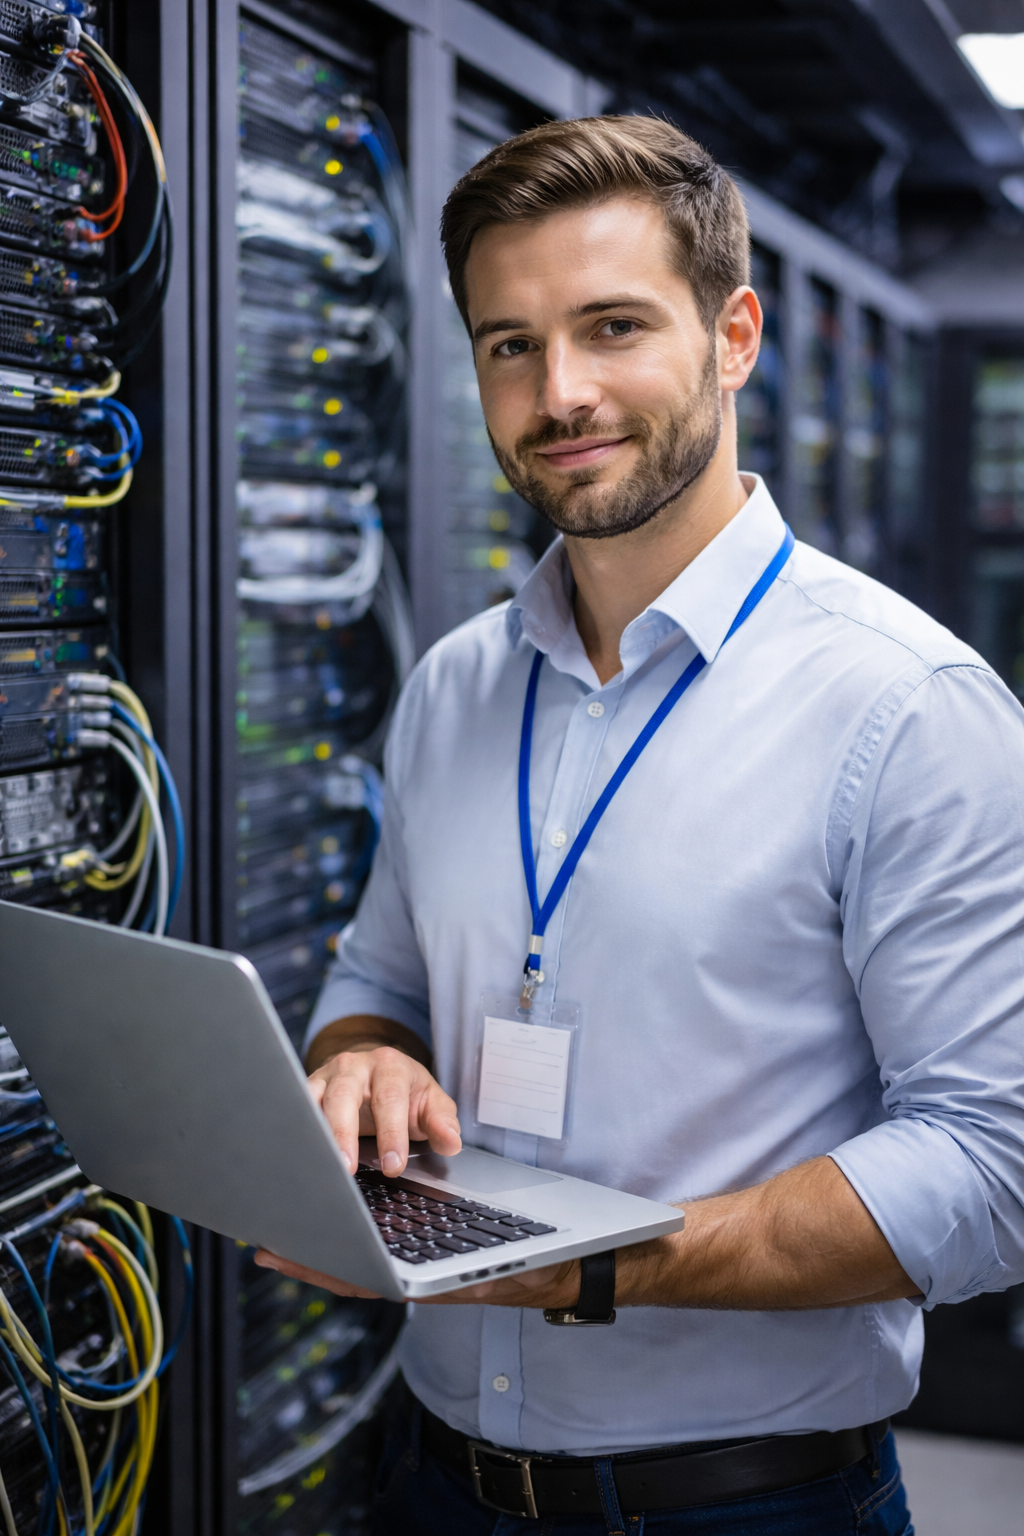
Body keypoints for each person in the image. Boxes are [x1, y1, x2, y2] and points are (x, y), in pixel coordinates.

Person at [254, 116, 1024, 1534]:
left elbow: (990, 1170)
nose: (561, 393)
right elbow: (380, 979)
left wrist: (601, 1265)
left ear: (735, 336)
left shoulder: (906, 709)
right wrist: (362, 1057)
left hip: (747, 1503)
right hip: (433, 1478)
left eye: (614, 327)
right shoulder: (452, 685)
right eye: (510, 344)